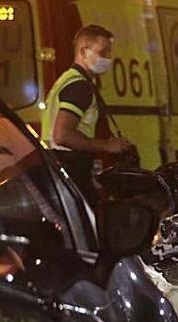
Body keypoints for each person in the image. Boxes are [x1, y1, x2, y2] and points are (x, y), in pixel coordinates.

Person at [41, 25, 133, 201]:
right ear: (83, 51)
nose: (108, 58)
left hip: (57, 168)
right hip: (71, 169)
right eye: (103, 52)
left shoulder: (67, 79)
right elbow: (62, 135)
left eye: (109, 52)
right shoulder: (79, 87)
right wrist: (106, 146)